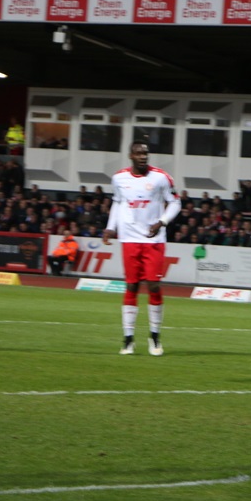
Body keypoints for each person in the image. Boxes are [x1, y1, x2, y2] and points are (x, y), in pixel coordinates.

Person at [103, 141, 181, 356]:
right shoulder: (119, 178)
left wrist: (162, 222)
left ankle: (155, 337)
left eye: (145, 153)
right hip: (129, 240)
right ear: (130, 155)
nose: (143, 156)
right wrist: (110, 228)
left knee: (154, 285)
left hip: (153, 240)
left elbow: (175, 203)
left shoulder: (161, 177)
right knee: (132, 286)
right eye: (138, 153)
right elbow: (118, 203)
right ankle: (128, 339)